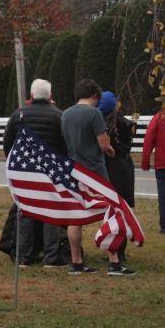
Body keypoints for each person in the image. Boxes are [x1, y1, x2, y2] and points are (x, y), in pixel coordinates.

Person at [61, 78, 132, 276]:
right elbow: (103, 144)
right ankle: (114, 262)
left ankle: (76, 262)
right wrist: (109, 149)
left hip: (74, 170)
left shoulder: (65, 114)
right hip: (95, 171)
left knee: (75, 217)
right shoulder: (94, 113)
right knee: (107, 214)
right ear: (94, 96)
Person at [3, 78, 68, 268]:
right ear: (50, 95)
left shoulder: (19, 114)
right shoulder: (59, 116)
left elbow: (8, 141)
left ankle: (23, 256)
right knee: (50, 213)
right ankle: (51, 256)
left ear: (31, 95)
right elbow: (65, 144)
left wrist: (14, 161)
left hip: (25, 170)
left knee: (26, 212)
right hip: (50, 171)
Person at [99, 91, 137, 265]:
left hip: (110, 169)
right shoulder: (125, 123)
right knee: (121, 210)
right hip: (124, 168)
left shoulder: (103, 125)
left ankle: (114, 249)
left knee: (112, 211)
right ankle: (118, 250)